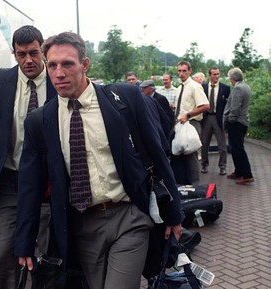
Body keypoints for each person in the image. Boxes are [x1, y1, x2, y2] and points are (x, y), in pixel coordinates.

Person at [15, 32, 183, 289]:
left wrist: (174, 212)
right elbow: (30, 186)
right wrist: (24, 241)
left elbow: (158, 156)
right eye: (52, 65)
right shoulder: (40, 121)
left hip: (129, 218)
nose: (59, 73)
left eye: (67, 64)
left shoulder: (125, 100)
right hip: (81, 226)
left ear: (85, 64)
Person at [0, 25, 57, 289]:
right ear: (14, 54)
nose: (28, 60)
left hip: (47, 183)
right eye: (21, 54)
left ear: (42, 50)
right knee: (4, 251)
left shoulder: (57, 78)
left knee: (44, 250)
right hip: (9, 181)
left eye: (33, 53)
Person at [172, 60, 209, 185]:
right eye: (179, 71)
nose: (181, 73)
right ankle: (182, 184)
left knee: (191, 154)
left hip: (192, 124)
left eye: (184, 71)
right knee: (179, 154)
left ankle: (195, 185)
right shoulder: (179, 88)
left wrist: (188, 115)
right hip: (180, 125)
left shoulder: (195, 86)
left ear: (189, 71)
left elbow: (205, 105)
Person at [223, 67, 254, 185]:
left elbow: (235, 107)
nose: (230, 80)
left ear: (233, 78)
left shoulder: (238, 88)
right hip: (243, 121)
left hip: (237, 122)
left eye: (230, 78)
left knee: (238, 149)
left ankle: (247, 175)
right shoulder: (246, 86)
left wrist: (230, 120)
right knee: (235, 148)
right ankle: (238, 171)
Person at [200, 67, 230, 175]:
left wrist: (226, 119)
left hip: (218, 118)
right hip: (206, 117)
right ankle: (204, 164)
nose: (216, 76)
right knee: (204, 144)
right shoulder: (203, 87)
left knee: (222, 144)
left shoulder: (225, 88)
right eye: (214, 74)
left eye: (218, 74)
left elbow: (228, 105)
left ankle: (223, 166)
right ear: (209, 75)